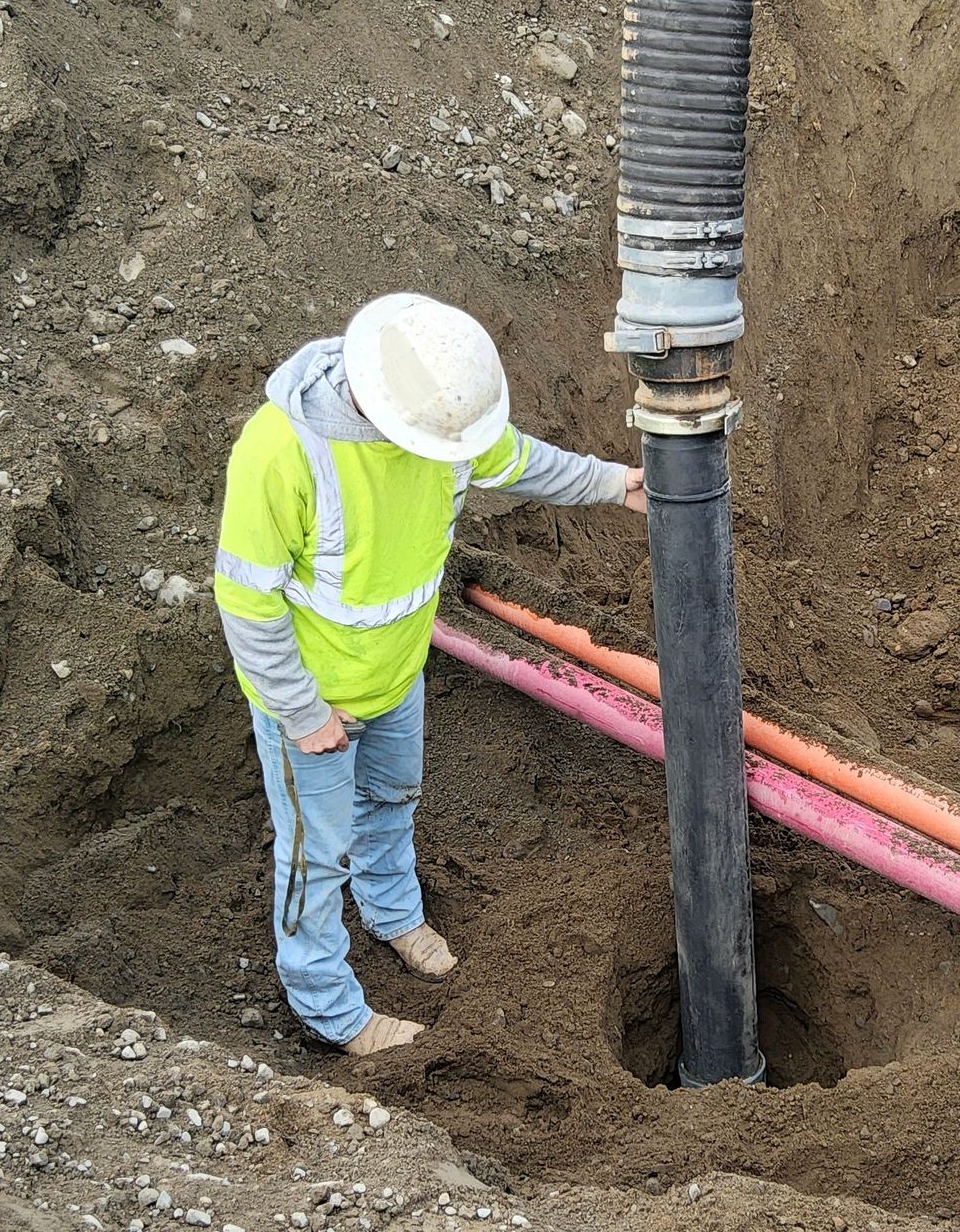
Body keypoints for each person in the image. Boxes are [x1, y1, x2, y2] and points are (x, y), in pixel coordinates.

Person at [214, 293, 645, 1055]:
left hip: (396, 676)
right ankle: (330, 1009)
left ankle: (393, 913)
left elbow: (521, 461)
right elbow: (246, 603)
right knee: (315, 860)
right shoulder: (282, 451)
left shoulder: (438, 426)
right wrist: (304, 714)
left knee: (393, 799)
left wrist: (615, 483)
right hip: (314, 705)